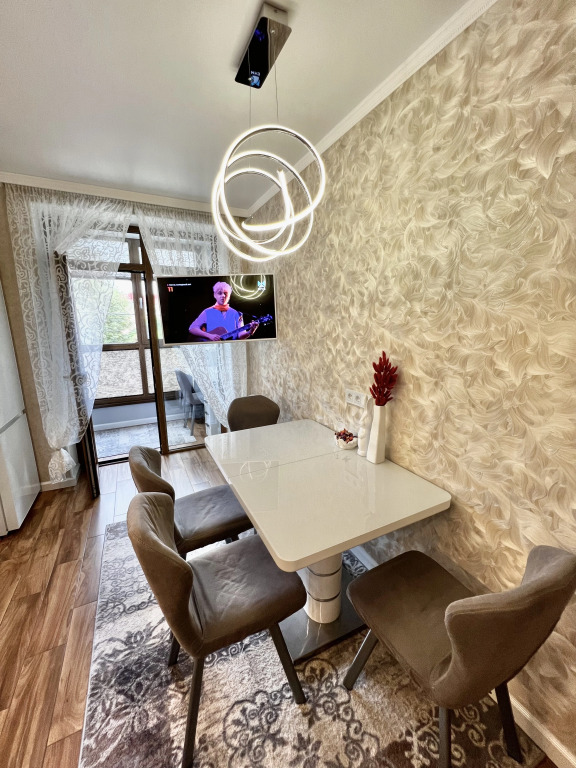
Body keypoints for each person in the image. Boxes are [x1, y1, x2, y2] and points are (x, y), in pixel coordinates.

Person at [188, 281, 259, 341]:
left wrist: (250, 331)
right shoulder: (207, 312)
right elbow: (192, 328)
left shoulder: (237, 314)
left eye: (226, 293)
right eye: (220, 293)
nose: (223, 296)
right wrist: (209, 336)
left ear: (229, 297)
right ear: (214, 295)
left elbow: (241, 336)